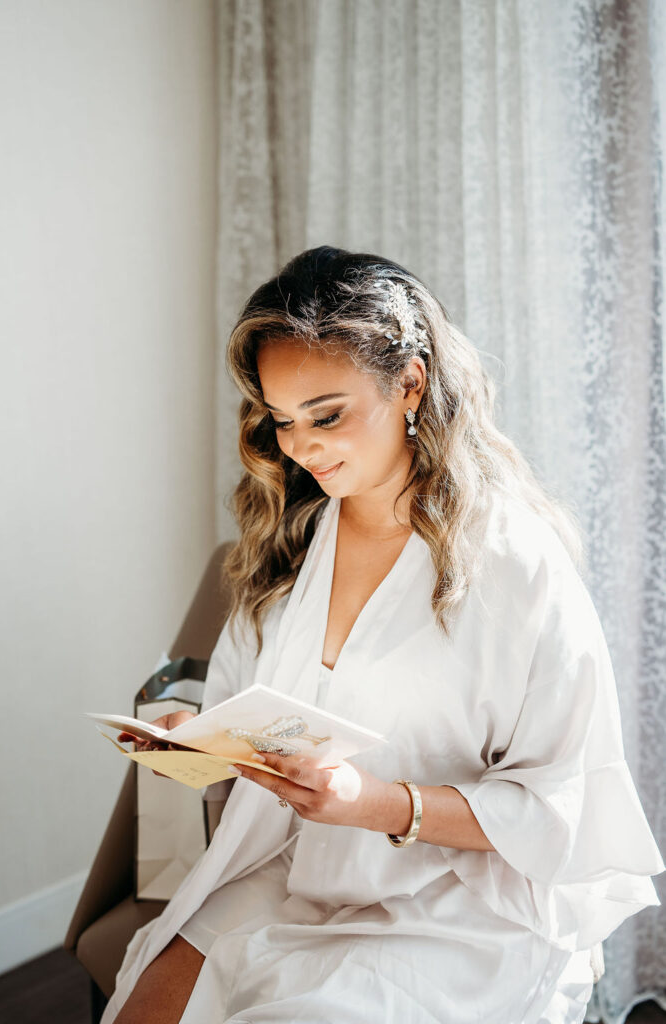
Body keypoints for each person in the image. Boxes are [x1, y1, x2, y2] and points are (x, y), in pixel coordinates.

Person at [103, 246, 664, 1024]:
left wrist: (375, 803)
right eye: (282, 420)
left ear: (410, 381)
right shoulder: (289, 546)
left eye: (326, 415)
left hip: (459, 906)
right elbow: (240, 709)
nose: (300, 448)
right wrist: (190, 740)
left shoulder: (512, 564)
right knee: (147, 1006)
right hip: (288, 864)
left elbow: (561, 808)